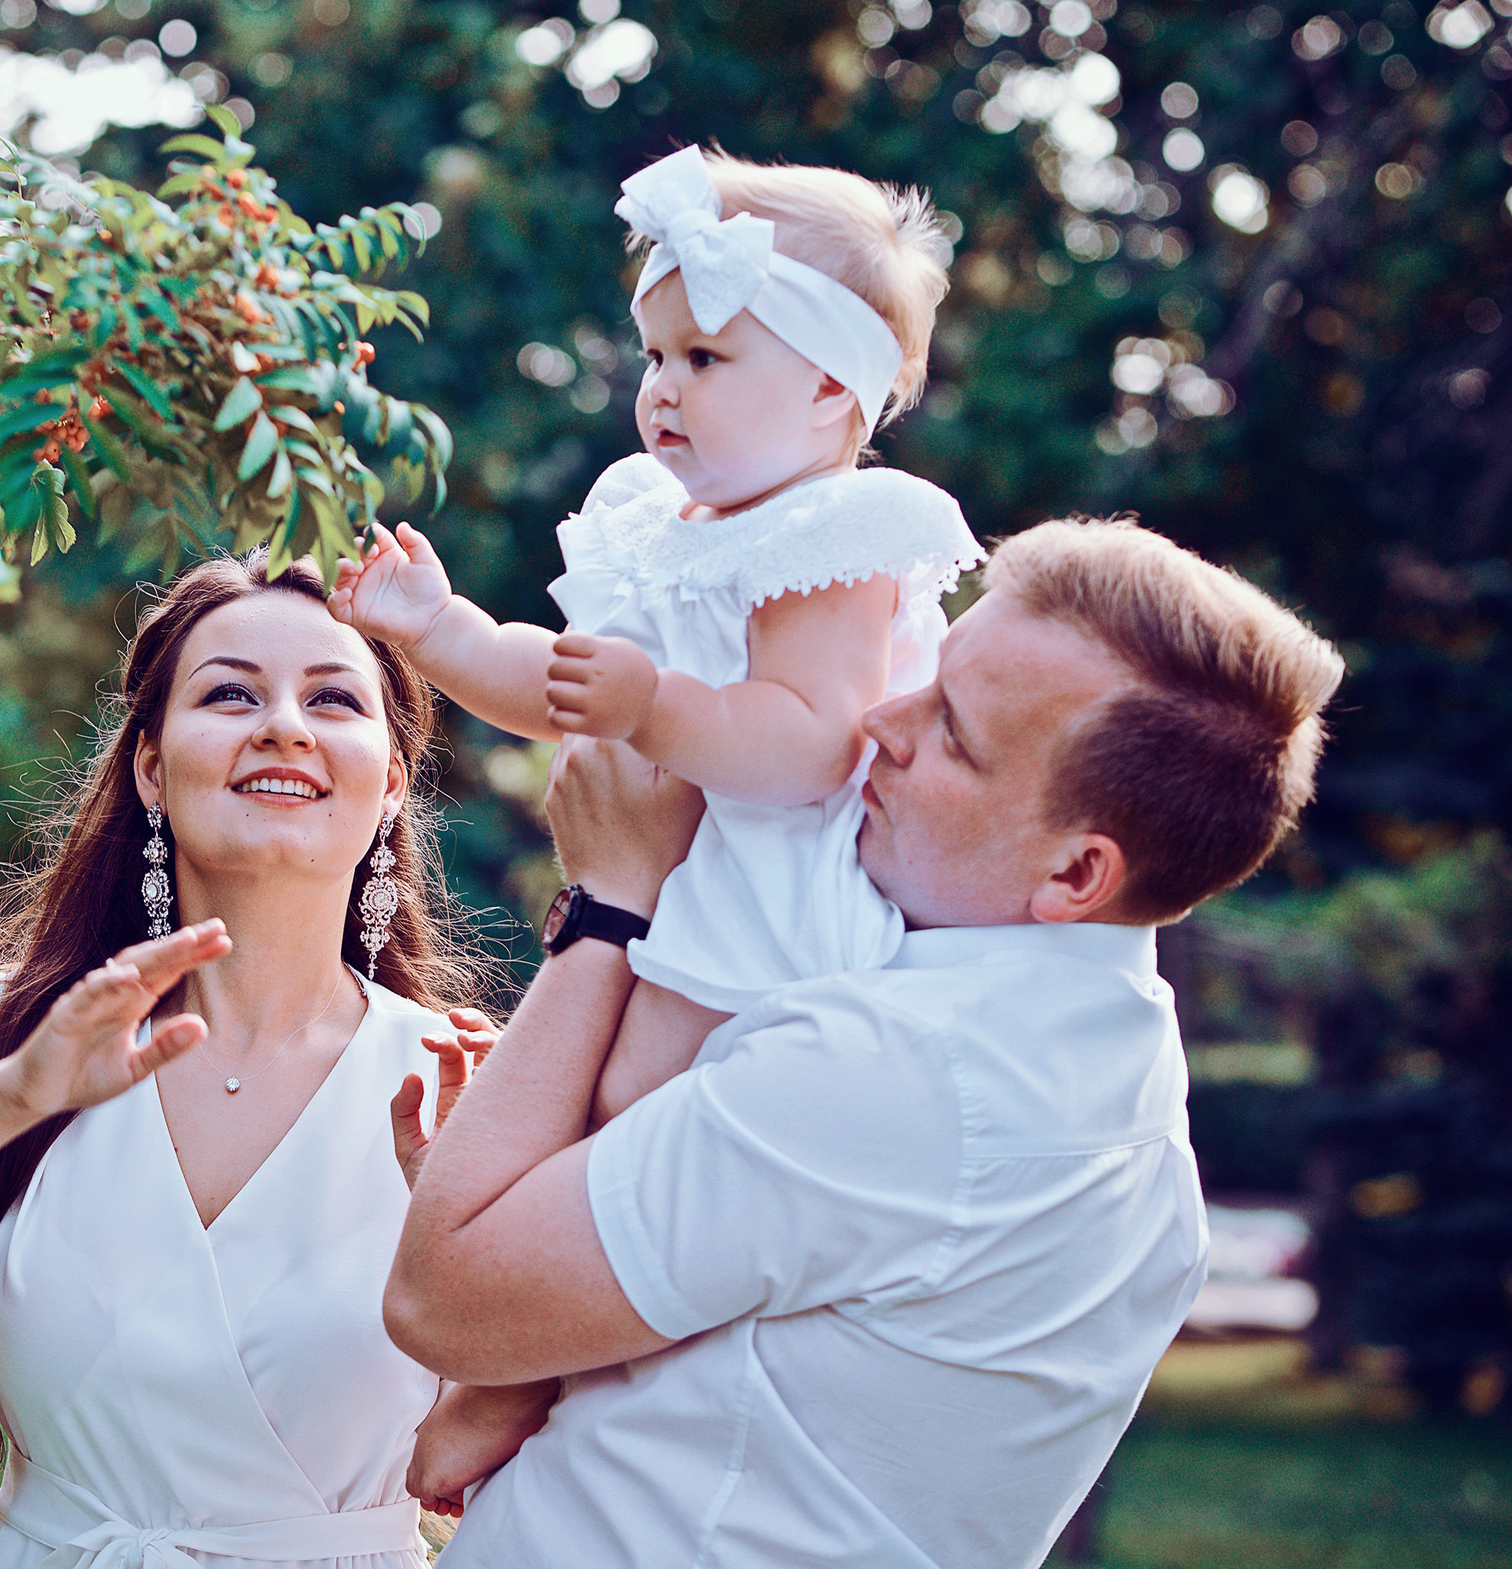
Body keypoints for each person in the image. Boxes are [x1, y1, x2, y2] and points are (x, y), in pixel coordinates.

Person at [389, 518, 1347, 1569]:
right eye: (925, 677)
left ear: (1077, 874)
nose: (883, 720)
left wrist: (612, 903)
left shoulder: (901, 1071)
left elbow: (446, 1295)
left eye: (953, 733)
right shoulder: (1117, 1073)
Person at [0, 552, 497, 1569]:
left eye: (332, 698)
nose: (282, 723)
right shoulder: (16, 1031)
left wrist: (456, 1240)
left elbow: (486, 1458)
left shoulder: (460, 1079)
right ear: (151, 765)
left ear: (390, 783)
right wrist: (6, 1101)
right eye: (230, 691)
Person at [330, 145, 982, 1051]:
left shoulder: (835, 532)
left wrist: (651, 705)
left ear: (831, 385)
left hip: (769, 902)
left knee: (632, 1098)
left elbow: (814, 743)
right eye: (656, 354)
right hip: (664, 881)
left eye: (705, 357)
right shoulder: (651, 518)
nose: (663, 387)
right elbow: (564, 686)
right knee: (600, 1094)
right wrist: (440, 629)